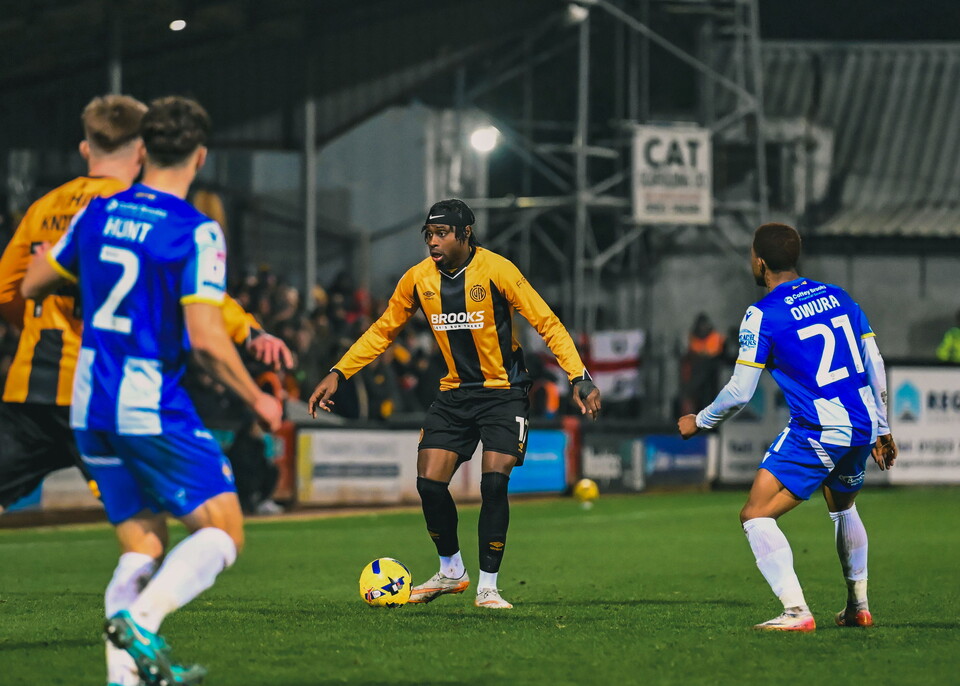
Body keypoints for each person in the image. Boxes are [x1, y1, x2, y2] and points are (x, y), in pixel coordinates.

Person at [22, 95, 283, 686]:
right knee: (223, 533)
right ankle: (142, 622)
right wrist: (257, 398)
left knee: (142, 544)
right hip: (146, 401)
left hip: (88, 402)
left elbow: (34, 282)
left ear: (143, 151)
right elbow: (207, 339)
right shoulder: (196, 231)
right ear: (200, 155)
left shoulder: (96, 214)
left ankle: (125, 678)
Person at [0, 95, 291, 517]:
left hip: (33, 385)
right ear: (142, 150)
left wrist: (35, 320)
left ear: (86, 148)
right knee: (152, 513)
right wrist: (248, 329)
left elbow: (10, 289)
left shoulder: (45, 207)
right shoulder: (138, 210)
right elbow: (197, 294)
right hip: (104, 383)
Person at [309, 199, 601, 609]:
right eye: (429, 234)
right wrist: (338, 372)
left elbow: (547, 323)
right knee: (428, 483)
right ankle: (451, 572)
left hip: (504, 392)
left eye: (442, 233)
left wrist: (579, 376)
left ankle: (488, 586)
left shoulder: (498, 270)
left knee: (494, 482)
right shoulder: (417, 280)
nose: (433, 241)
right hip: (455, 394)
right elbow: (382, 331)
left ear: (465, 234)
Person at [678, 223, 897, 632]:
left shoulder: (763, 313)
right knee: (843, 505)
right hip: (862, 425)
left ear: (759, 262)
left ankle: (796, 611)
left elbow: (741, 391)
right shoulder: (839, 295)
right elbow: (875, 363)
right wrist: (883, 428)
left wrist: (700, 420)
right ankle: (858, 606)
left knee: (755, 514)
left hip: (819, 428)